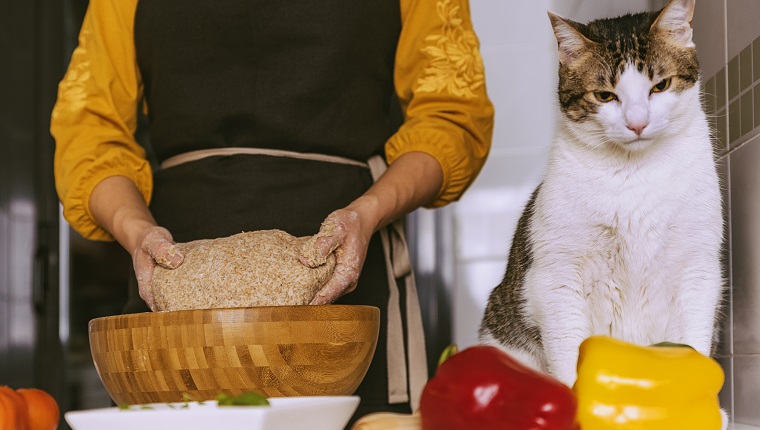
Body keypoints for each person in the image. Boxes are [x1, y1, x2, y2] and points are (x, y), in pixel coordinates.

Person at [51, 0, 493, 423]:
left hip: (344, 284)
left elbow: (450, 116)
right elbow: (90, 130)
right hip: (174, 287)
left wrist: (367, 212)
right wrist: (136, 231)